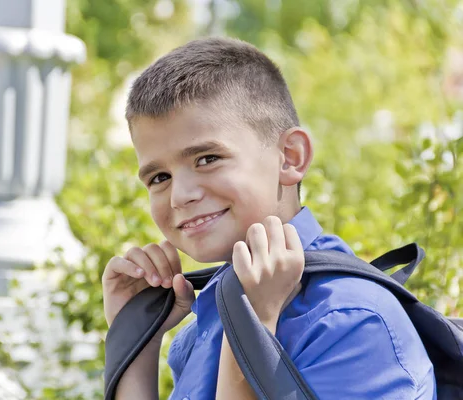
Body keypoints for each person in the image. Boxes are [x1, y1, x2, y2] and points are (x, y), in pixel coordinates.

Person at [102, 37, 436, 399]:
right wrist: (136, 338)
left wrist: (253, 326)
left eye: (207, 159)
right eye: (159, 178)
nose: (181, 195)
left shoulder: (350, 322)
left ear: (290, 157)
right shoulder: (213, 312)